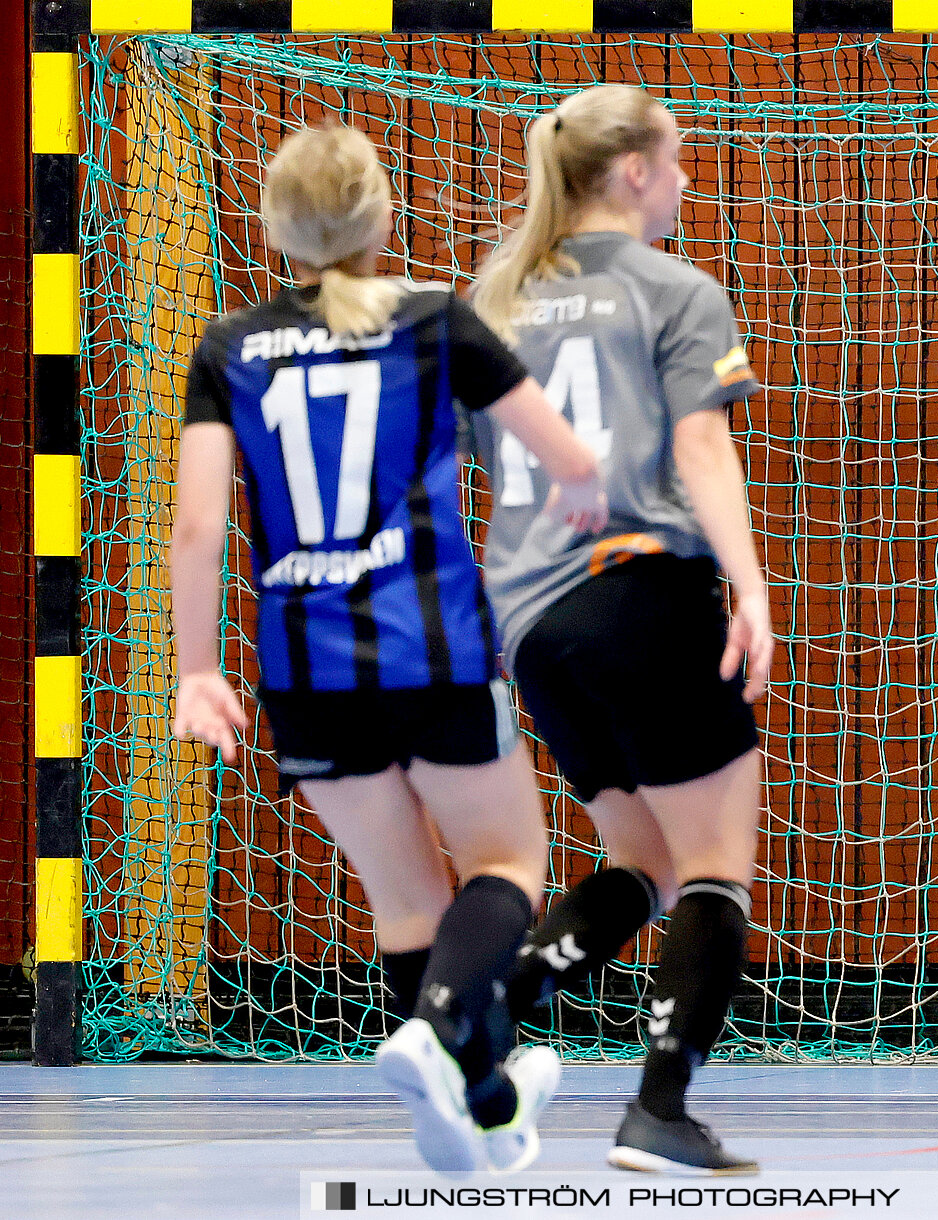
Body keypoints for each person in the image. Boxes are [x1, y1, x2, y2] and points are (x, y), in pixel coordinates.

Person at [169, 124, 611, 1173]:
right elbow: (566, 461)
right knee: (509, 862)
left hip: (305, 671)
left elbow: (196, 527)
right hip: (435, 650)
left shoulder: (230, 347)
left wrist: (197, 670)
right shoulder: (432, 321)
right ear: (384, 219)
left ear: (276, 230)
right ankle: (446, 1022)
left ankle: (484, 1105)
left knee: (408, 898)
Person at [465, 84, 772, 1176]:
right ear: (633, 171)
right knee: (714, 870)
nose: (686, 182)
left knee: (636, 859)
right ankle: (660, 1108)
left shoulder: (495, 296)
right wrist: (748, 584)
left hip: (533, 623)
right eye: (677, 162)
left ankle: (487, 1004)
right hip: (642, 590)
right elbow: (698, 447)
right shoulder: (675, 288)